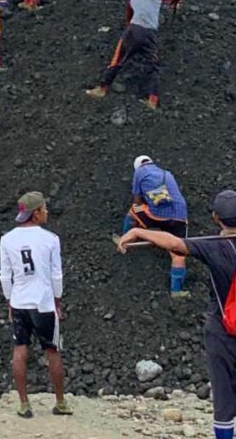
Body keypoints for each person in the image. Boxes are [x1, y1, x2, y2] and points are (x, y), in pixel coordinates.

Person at [118, 189, 236, 439]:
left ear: (216, 217)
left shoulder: (213, 248)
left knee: (224, 401)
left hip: (222, 331)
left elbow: (174, 243)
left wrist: (138, 231)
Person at [0, 191, 71, 419]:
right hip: (44, 303)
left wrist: (9, 301)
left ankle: (23, 404)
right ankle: (60, 402)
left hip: (20, 301)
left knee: (20, 350)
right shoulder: (50, 239)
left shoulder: (7, 239)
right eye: (44, 208)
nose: (47, 212)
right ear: (36, 212)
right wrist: (58, 300)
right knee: (53, 351)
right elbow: (56, 274)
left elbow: (4, 276)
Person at [86, 0, 184, 110]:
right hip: (151, 34)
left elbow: (128, 19)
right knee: (153, 66)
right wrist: (174, 3)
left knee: (118, 60)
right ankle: (152, 101)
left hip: (133, 30)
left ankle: (102, 89)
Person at [122, 155, 189, 297]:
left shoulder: (140, 172)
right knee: (178, 254)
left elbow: (137, 198)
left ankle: (125, 240)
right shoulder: (167, 174)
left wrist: (142, 204)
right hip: (180, 217)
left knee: (134, 209)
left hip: (157, 215)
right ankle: (176, 291)